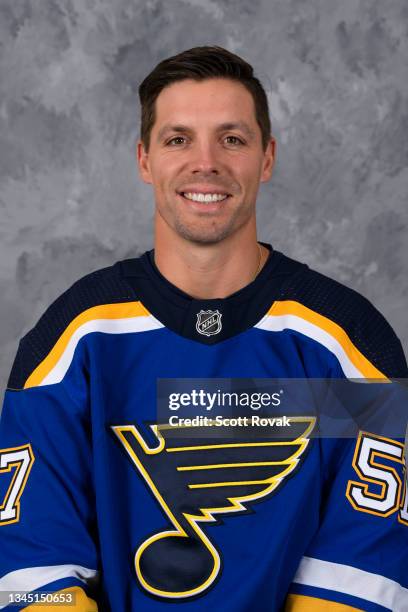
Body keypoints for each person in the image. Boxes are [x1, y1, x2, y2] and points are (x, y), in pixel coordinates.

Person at [0, 45, 407, 611]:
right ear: (144, 160)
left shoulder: (345, 341)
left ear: (267, 158)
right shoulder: (76, 338)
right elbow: (33, 567)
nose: (206, 163)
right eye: (178, 139)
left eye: (233, 139)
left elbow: (360, 570)